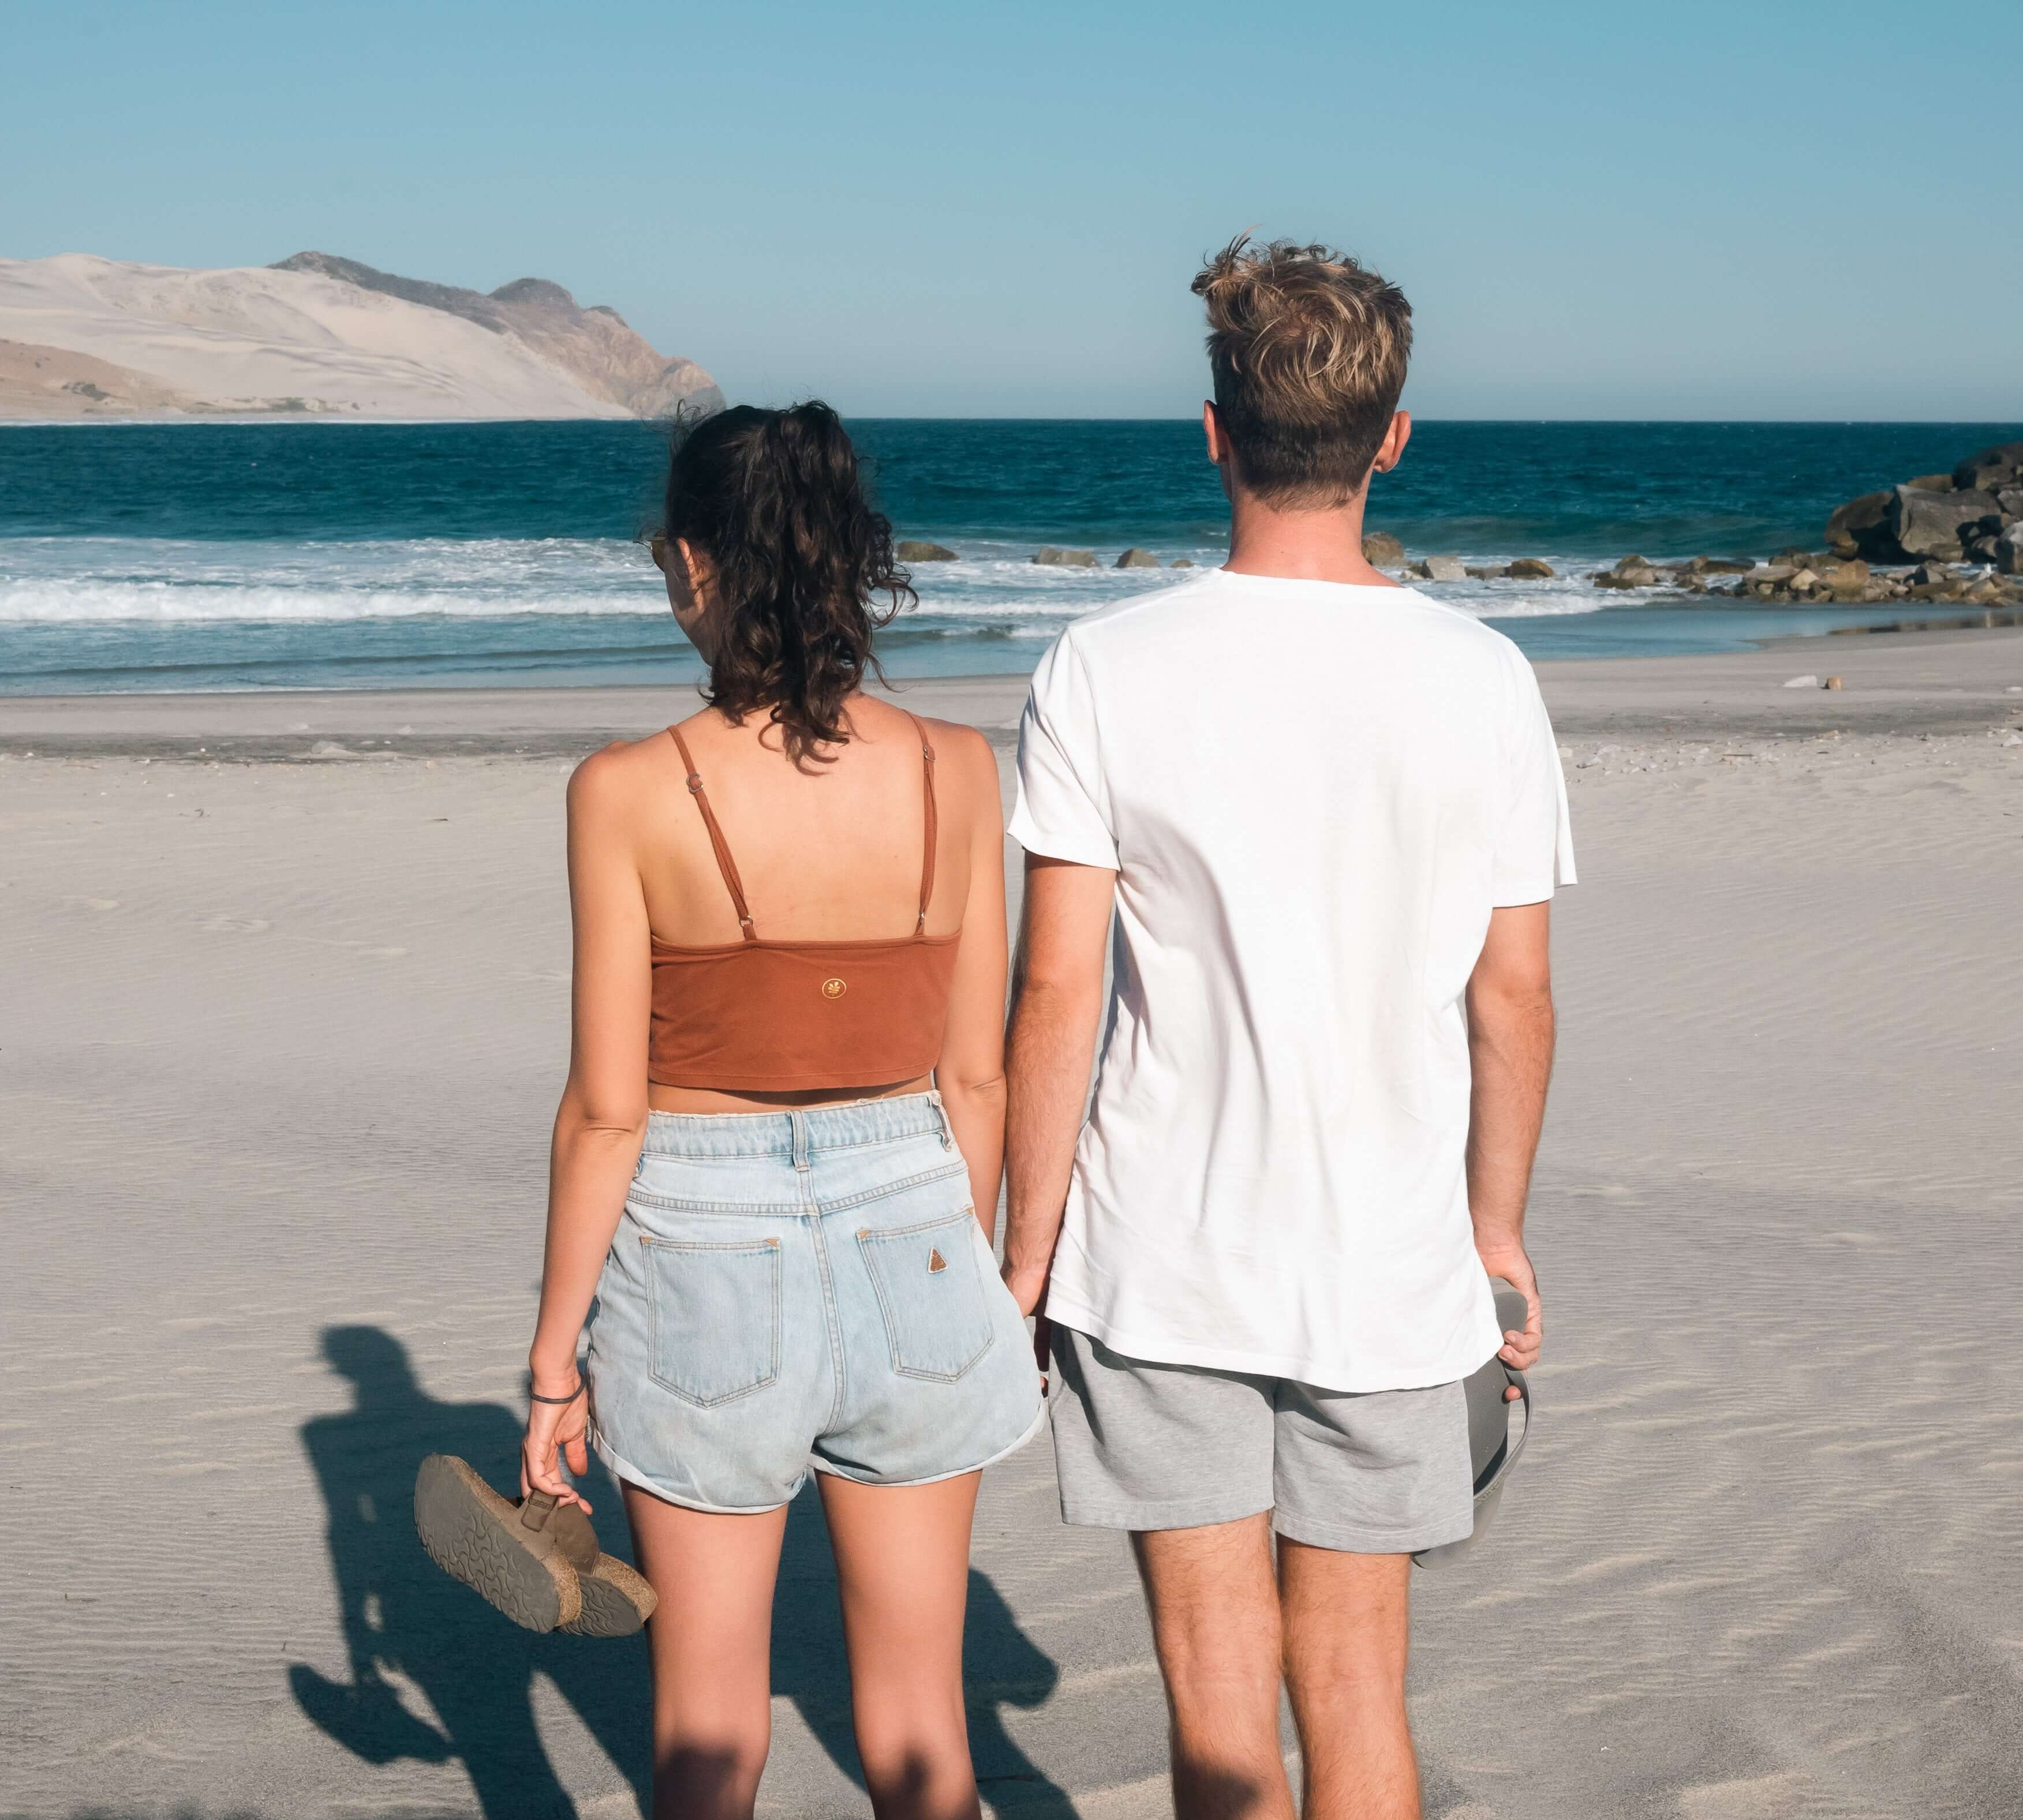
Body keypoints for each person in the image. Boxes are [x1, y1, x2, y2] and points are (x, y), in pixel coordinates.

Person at [1000, 237, 1575, 1820]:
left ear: (1211, 429)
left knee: (1215, 1697)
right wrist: (1496, 1228)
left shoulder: (1103, 666)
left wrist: (1024, 1248)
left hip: (1162, 1254)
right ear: (1392, 436)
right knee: (1355, 1685)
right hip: (1392, 1262)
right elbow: (1509, 995)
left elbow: (1055, 988)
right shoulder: (1484, 676)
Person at [518, 402, 1044, 1820]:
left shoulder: (627, 792)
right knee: (921, 1712)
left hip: (701, 1239)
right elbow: (978, 1076)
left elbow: (607, 1114)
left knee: (705, 1725)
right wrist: (960, 1264)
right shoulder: (953, 766)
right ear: (847, 562)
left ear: (692, 561)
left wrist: (556, 1360)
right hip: (924, 1224)